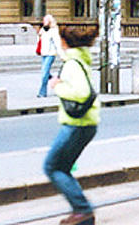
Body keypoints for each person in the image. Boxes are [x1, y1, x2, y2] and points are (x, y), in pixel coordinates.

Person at [45, 25, 99, 225]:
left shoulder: (73, 64)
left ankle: (83, 210)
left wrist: (58, 86)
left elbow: (83, 92)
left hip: (77, 124)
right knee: (63, 168)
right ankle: (82, 212)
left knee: (51, 167)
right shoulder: (79, 58)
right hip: (84, 123)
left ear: (65, 42)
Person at [37, 14, 63, 98]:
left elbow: (57, 43)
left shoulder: (54, 30)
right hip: (43, 53)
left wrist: (61, 54)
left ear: (49, 21)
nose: (44, 22)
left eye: (45, 20)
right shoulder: (43, 30)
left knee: (44, 73)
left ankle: (42, 92)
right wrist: (40, 34)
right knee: (45, 72)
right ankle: (56, 81)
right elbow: (39, 41)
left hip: (51, 53)